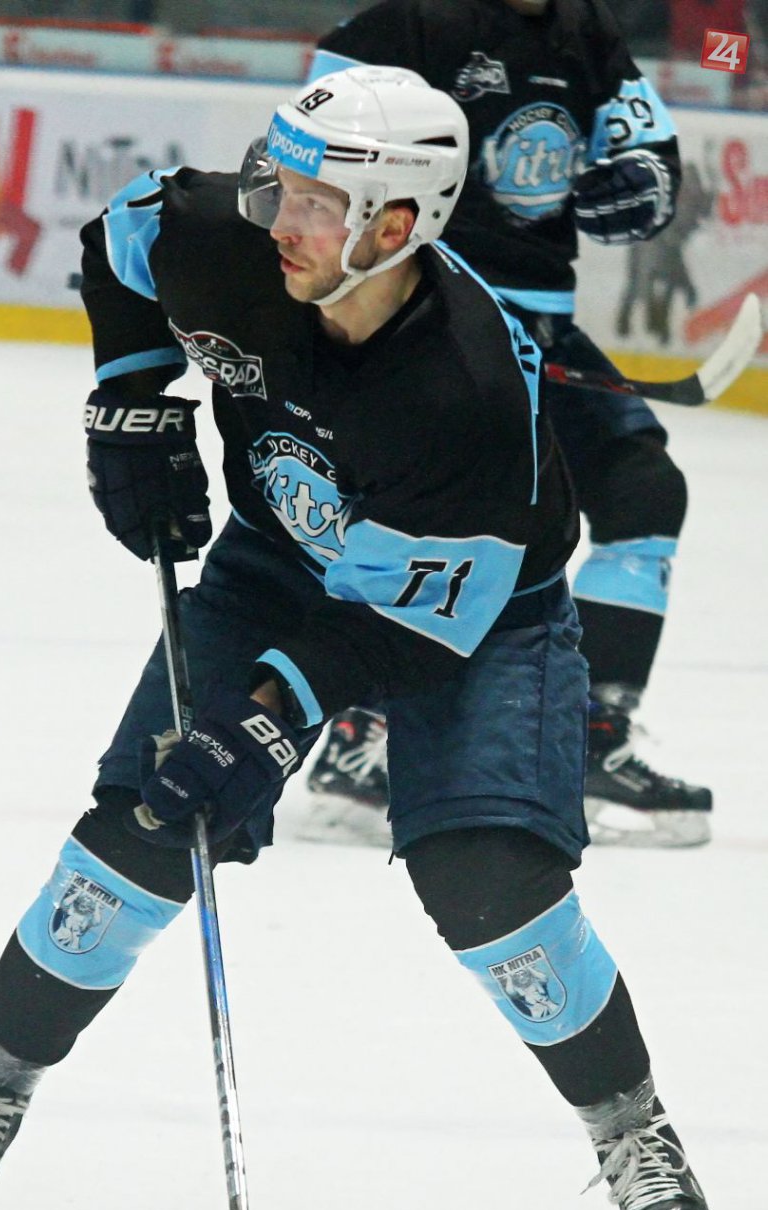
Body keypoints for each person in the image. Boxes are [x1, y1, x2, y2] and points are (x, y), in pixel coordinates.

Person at [0, 65, 710, 1210]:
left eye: (315, 204)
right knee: (139, 833)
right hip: (276, 568)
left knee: (485, 878)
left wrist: (263, 726)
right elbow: (120, 241)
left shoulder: (464, 391)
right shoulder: (226, 239)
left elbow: (393, 632)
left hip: (473, 618)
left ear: (396, 225)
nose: (278, 219)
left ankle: (626, 1122)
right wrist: (127, 403)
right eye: (277, 185)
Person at [302, 0, 713, 850]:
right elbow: (314, 164)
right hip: (433, 311)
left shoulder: (586, 31)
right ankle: (359, 733)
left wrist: (645, 180)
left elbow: (648, 147)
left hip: (544, 324)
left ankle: (590, 736)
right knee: (433, 514)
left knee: (642, 490)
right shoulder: (407, 26)